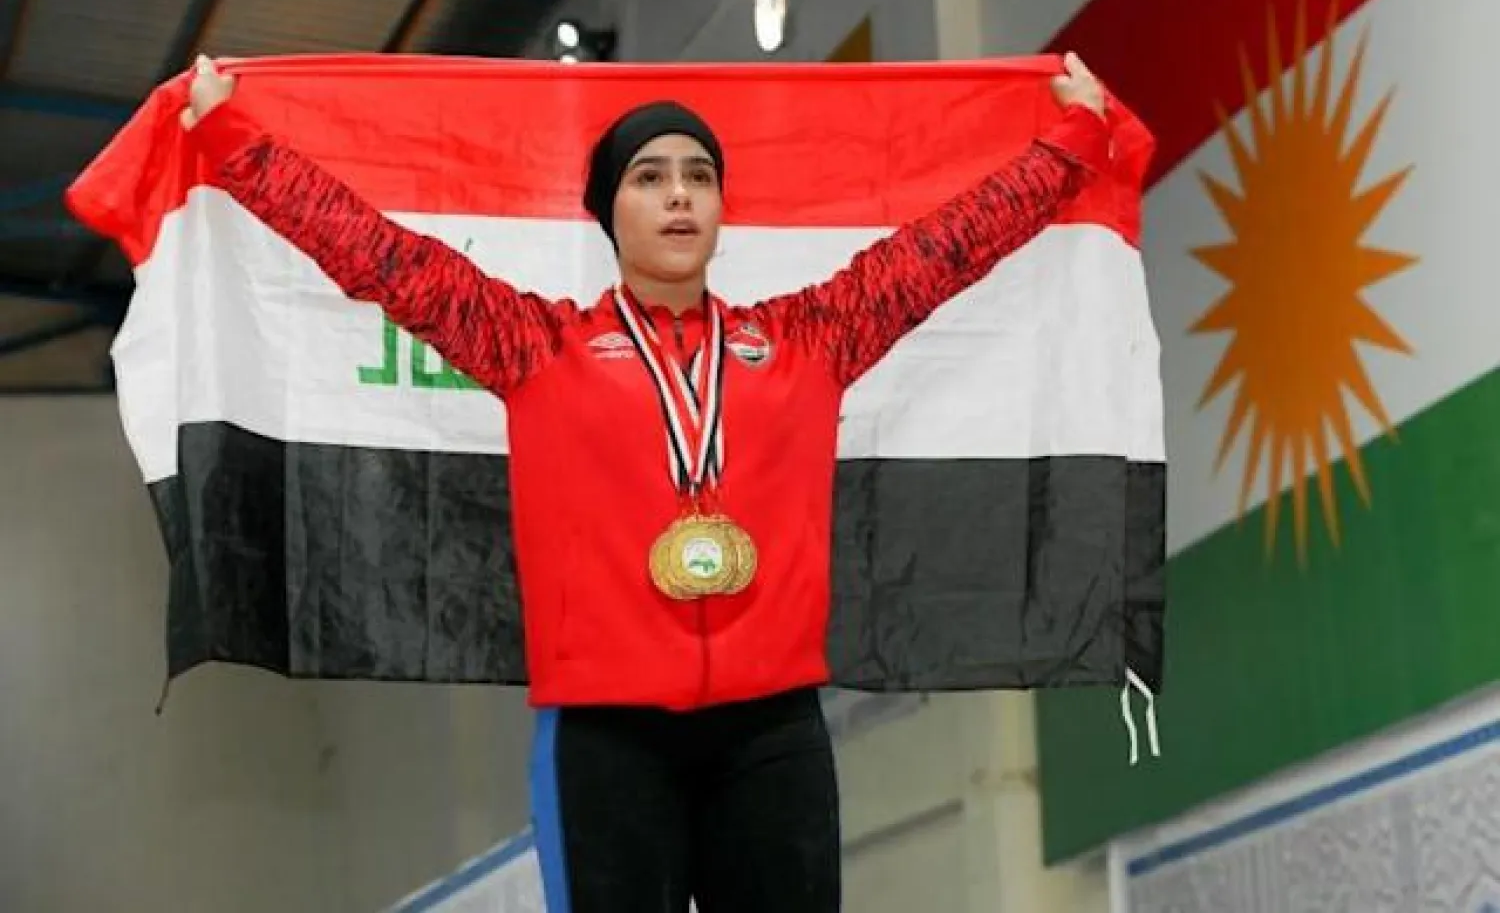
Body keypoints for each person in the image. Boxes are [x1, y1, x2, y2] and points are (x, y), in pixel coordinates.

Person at [180, 51, 1110, 913]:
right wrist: (233, 141)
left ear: (721, 211)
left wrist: (1073, 144)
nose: (678, 197)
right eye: (650, 177)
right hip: (608, 740)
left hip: (772, 733)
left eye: (699, 177)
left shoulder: (807, 340)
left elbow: (943, 249)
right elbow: (380, 255)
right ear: (609, 212)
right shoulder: (533, 345)